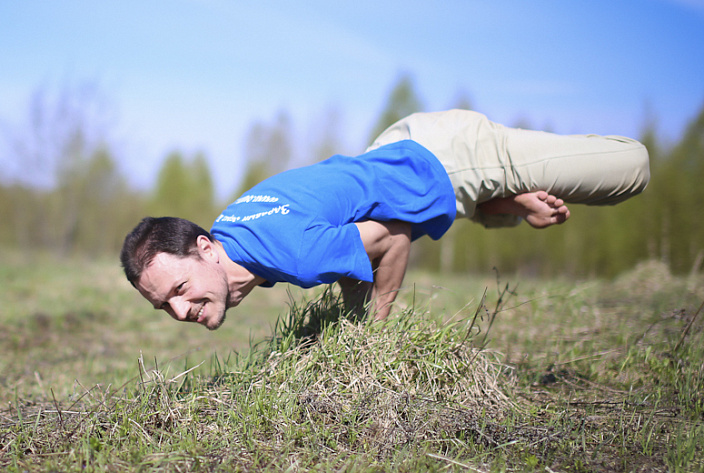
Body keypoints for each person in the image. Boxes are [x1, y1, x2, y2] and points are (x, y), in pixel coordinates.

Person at [121, 110, 650, 329]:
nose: (178, 309)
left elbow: (392, 236)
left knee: (631, 170)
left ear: (207, 248)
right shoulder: (236, 232)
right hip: (398, 156)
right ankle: (510, 202)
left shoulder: (290, 253)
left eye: (181, 288)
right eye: (163, 302)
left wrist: (373, 333)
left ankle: (509, 183)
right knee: (411, 207)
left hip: (449, 155)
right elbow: (356, 232)